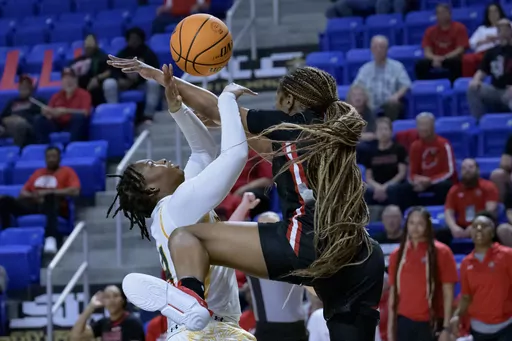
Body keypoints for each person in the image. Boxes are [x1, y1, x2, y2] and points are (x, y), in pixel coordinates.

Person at [108, 55, 385, 340]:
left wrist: (222, 101)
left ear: (289, 101)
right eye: (153, 164)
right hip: (361, 254)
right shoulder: (330, 133)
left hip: (305, 243)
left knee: (187, 237)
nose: (163, 160)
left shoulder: (285, 127)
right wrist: (184, 109)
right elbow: (213, 145)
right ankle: (188, 300)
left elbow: (219, 125)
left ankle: (188, 295)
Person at [109, 65, 255, 340]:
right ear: (150, 187)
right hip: (206, 329)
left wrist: (178, 109)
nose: (162, 160)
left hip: (202, 329)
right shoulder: (179, 205)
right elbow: (234, 155)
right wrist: (226, 100)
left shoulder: (173, 210)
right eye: (152, 164)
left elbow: (203, 151)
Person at [230, 196, 308, 341]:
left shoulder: (296, 252)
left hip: (298, 329)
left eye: (272, 227)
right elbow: (227, 237)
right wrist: (244, 206)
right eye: (263, 228)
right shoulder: (251, 256)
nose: (268, 233)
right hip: (268, 330)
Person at [387, 207, 458, 341]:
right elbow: (393, 292)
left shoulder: (442, 252)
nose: (415, 228)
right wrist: (391, 328)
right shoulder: (397, 254)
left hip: (432, 321)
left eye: (420, 223)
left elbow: (448, 291)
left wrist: (446, 327)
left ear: (428, 226)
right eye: (412, 223)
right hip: (404, 321)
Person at [0, 146, 80, 253]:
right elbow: (23, 192)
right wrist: (34, 195)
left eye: (54, 156)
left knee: (50, 198)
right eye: (48, 157)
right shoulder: (38, 172)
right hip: (34, 203)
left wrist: (49, 192)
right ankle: (7, 235)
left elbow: (75, 191)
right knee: (5, 200)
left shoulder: (67, 171)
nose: (51, 159)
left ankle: (50, 239)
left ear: (59, 158)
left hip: (55, 205)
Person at [450, 212, 512, 341]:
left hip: (507, 326)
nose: (479, 229)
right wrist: (456, 315)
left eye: (484, 226)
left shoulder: (507, 255)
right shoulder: (466, 263)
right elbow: (466, 296)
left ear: (493, 232)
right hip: (479, 329)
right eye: (475, 226)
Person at [399, 112, 457, 210]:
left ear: (433, 126)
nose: (423, 128)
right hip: (422, 182)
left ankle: (443, 213)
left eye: (426, 125)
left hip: (439, 182)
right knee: (403, 189)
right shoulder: (415, 146)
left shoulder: (444, 144)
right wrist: (417, 181)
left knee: (444, 186)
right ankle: (412, 214)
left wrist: (430, 181)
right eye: (420, 125)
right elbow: (412, 173)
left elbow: (449, 172)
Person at [103, 28, 160, 122]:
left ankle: (148, 115)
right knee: (109, 83)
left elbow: (156, 72)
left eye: (136, 39)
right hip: (124, 85)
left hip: (142, 84)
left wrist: (137, 79)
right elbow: (113, 71)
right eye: (131, 39)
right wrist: (119, 80)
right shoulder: (122, 53)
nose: (133, 41)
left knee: (153, 83)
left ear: (141, 40)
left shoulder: (149, 54)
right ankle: (114, 113)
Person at [439, 158, 499, 246]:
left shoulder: (488, 186)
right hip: (461, 226)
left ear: (477, 170)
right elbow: (448, 212)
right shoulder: (454, 190)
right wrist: (454, 228)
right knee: (440, 234)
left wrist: (474, 226)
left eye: (470, 167)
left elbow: (489, 211)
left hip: (482, 224)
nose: (467, 170)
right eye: (464, 168)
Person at [353, 35, 411, 121]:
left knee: (393, 106)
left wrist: (396, 96)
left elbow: (406, 85)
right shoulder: (365, 69)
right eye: (375, 47)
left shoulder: (397, 66)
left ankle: (387, 131)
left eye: (382, 47)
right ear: (371, 50)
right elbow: (356, 87)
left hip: (389, 104)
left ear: (387, 50)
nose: (378, 50)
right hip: (370, 105)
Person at [467, 18, 512, 119]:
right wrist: (476, 80)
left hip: (510, 91)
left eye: (505, 29)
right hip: (495, 89)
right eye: (500, 30)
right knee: (473, 89)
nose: (503, 33)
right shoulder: (492, 52)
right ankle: (480, 123)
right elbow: (482, 70)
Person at [35, 68, 91, 143]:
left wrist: (66, 111)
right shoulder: (56, 96)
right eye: (65, 78)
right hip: (58, 123)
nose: (68, 80)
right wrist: (47, 113)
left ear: (76, 80)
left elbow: (85, 112)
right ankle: (43, 147)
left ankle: (74, 146)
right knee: (39, 119)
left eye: (71, 77)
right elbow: (50, 111)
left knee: (79, 117)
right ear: (61, 81)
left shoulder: (84, 94)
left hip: (74, 124)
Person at [415, 3, 468, 83]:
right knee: (420, 64)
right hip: (435, 58)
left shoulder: (459, 28)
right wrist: (434, 58)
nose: (441, 15)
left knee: (456, 63)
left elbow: (460, 49)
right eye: (438, 13)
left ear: (450, 14)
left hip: (451, 58)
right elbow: (427, 51)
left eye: (443, 12)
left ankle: (454, 86)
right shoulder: (430, 31)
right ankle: (425, 86)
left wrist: (444, 58)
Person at [70, 285, 145, 341]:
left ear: (122, 300)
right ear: (104, 302)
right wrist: (91, 307)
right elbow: (76, 337)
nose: (112, 300)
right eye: (107, 297)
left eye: (115, 296)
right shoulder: (103, 323)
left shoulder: (133, 322)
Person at [362, 117, 407, 206]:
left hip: (393, 184)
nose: (383, 132)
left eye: (386, 129)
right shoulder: (370, 152)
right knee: (363, 191)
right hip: (376, 186)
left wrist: (385, 187)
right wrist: (378, 187)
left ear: (391, 132)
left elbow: (401, 174)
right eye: (380, 129)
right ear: (376, 133)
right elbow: (368, 177)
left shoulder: (399, 149)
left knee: (395, 190)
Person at [463, 3, 505, 77]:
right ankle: (468, 82)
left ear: (500, 12)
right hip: (483, 53)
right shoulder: (482, 29)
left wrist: (498, 38)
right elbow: (471, 43)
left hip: (502, 51)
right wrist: (484, 41)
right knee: (467, 59)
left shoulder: (508, 25)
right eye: (490, 12)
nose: (493, 14)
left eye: (495, 11)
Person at [69, 34, 111, 106]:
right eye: (86, 43)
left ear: (96, 45)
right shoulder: (78, 60)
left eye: (91, 43)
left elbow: (110, 71)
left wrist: (97, 78)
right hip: (82, 89)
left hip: (99, 88)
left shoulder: (104, 58)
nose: (88, 45)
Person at [0, 75, 41, 147]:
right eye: (21, 86)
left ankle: (16, 150)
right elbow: (3, 116)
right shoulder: (13, 102)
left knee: (20, 124)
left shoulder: (37, 101)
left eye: (26, 86)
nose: (23, 88)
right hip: (9, 124)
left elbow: (41, 116)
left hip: (26, 125)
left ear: (31, 88)